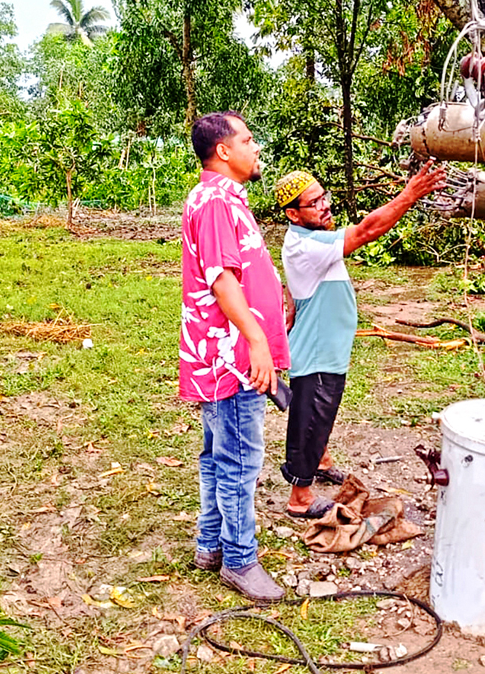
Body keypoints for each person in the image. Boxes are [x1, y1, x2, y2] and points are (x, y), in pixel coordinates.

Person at [275, 161, 447, 518]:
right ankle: (300, 496)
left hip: (328, 346)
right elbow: (368, 229)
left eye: (324, 197)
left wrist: (289, 305)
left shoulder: (308, 238)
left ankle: (319, 461)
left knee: (323, 410)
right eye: (314, 203)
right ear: (292, 213)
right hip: (318, 351)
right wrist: (411, 193)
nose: (325, 206)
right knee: (312, 414)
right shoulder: (307, 246)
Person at [180, 111, 290, 603]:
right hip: (231, 356)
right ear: (223, 150)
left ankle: (210, 545)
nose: (256, 148)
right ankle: (240, 560)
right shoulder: (216, 202)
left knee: (217, 454)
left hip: (222, 352)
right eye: (248, 140)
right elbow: (221, 280)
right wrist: (257, 340)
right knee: (240, 459)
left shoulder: (217, 198)